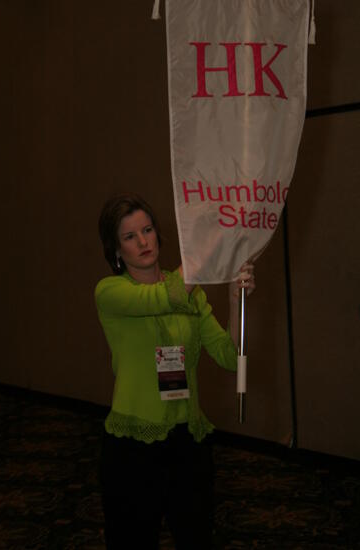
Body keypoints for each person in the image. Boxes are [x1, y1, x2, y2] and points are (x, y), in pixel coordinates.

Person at [95, 193, 255, 549]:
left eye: (148, 230)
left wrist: (232, 299)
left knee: (195, 537)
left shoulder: (192, 294)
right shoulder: (110, 292)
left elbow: (230, 357)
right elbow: (162, 299)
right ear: (116, 250)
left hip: (188, 442)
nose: (143, 241)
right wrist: (208, 246)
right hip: (133, 448)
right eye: (130, 236)